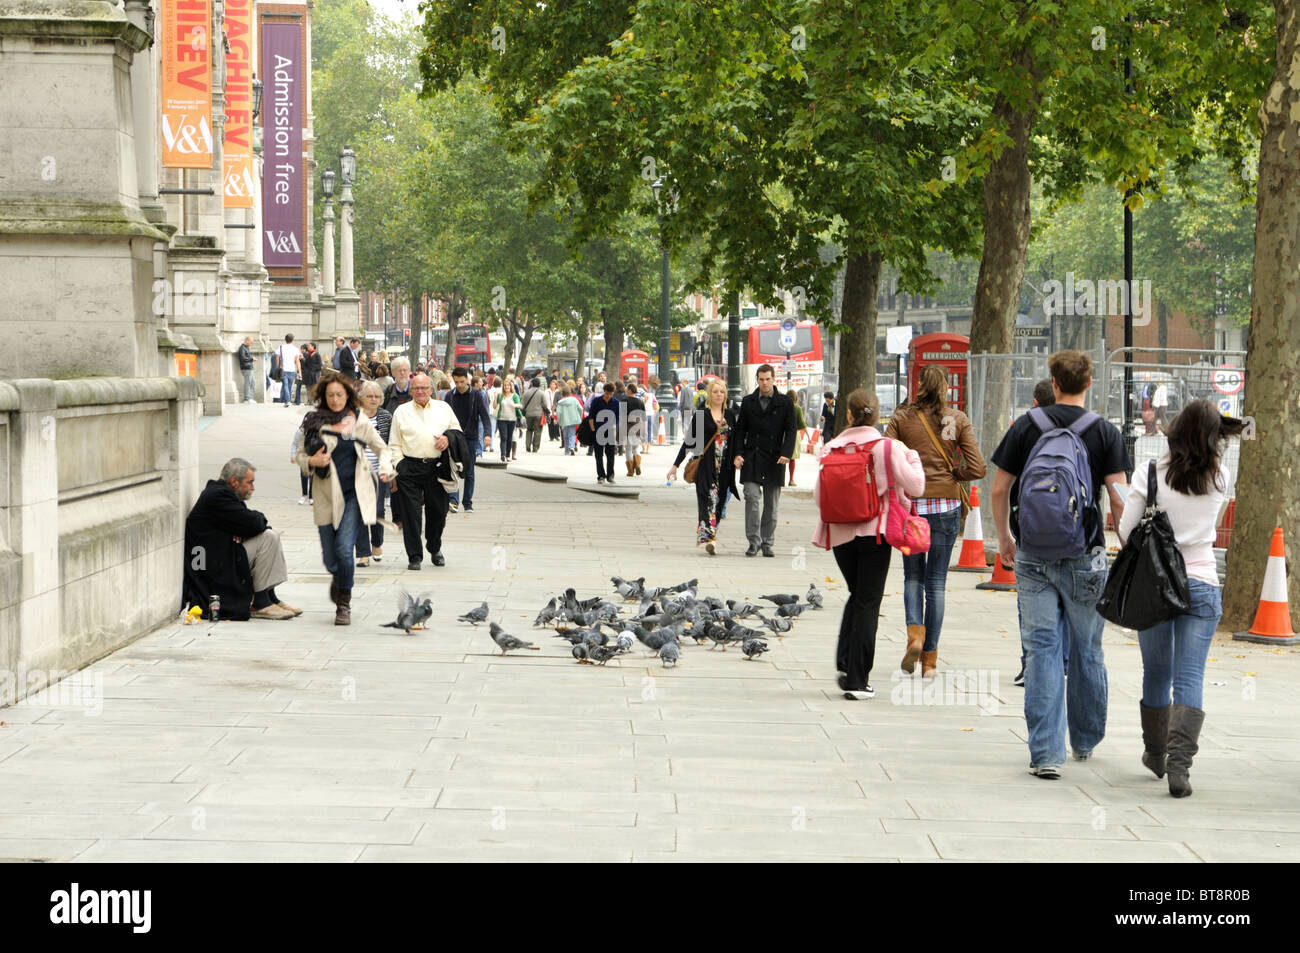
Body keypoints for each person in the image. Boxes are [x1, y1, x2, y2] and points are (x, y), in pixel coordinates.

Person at [990, 349, 1129, 779]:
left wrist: (1004, 539)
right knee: (1087, 648)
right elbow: (1121, 501)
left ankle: (1047, 755)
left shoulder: (1027, 426)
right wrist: (1126, 547)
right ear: (1089, 383)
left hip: (1032, 556)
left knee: (1042, 650)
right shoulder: (1105, 432)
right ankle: (1084, 739)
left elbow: (998, 490)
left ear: (1053, 382)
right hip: (1086, 556)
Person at [1119, 401, 1243, 798]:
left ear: (1174, 431)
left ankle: (1155, 752)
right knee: (1190, 677)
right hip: (1202, 584)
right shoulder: (1220, 476)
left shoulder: (1149, 475)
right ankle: (1180, 767)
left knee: (1157, 673)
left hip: (1155, 585)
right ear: (1213, 439)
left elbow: (1125, 531)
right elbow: (1211, 524)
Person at [812, 389, 925, 699]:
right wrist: (912, 456)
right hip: (875, 533)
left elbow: (818, 497)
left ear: (848, 414)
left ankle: (847, 663)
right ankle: (858, 681)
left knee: (857, 594)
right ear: (878, 416)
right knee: (868, 601)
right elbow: (916, 486)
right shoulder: (886, 447)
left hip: (840, 537)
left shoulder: (831, 448)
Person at [886, 364, 987, 676]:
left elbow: (886, 453)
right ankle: (929, 661)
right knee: (937, 584)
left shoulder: (902, 418)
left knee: (912, 579)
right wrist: (955, 474)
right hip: (945, 508)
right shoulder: (954, 420)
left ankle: (915, 637)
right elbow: (978, 467)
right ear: (944, 388)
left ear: (918, 385)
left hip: (913, 509)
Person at [298, 374, 394, 624]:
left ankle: (344, 604)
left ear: (348, 396)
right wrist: (311, 461)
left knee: (344, 548)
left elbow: (382, 448)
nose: (335, 399)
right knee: (331, 559)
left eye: (340, 394)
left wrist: (385, 468)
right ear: (323, 397)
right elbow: (298, 456)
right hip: (326, 495)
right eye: (330, 395)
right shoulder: (313, 422)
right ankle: (338, 577)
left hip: (355, 493)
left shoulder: (359, 420)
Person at [182, 458, 299, 621]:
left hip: (220, 555)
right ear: (234, 481)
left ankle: (270, 597)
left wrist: (245, 529)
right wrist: (249, 526)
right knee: (268, 537)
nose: (252, 487)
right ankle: (260, 602)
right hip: (212, 565)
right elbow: (254, 523)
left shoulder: (223, 494)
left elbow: (248, 522)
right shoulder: (218, 496)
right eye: (249, 482)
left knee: (270, 535)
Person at [1013, 377, 1065, 687]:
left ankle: (1030, 663)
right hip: (1069, 525)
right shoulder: (1082, 426)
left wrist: (1009, 531)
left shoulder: (1024, 426)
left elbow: (1005, 483)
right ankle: (1065, 662)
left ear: (1035, 401)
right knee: (1066, 597)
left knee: (1030, 597)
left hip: (1029, 526)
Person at [388, 373, 468, 570]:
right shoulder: (401, 411)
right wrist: (399, 465)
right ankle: (414, 556)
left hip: (437, 467)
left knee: (438, 513)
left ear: (431, 390)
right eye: (416, 388)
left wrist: (448, 439)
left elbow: (458, 432)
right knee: (411, 515)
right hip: (409, 467)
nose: (420, 391)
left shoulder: (444, 408)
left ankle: (434, 547)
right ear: (410, 390)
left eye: (424, 388)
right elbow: (394, 443)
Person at [732, 364, 798, 557]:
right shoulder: (748, 401)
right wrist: (738, 453)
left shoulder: (785, 403)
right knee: (751, 497)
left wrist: (787, 453)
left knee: (771, 503)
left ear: (773, 379)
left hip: (775, 458)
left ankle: (767, 542)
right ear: (757, 380)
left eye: (768, 379)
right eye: (761, 379)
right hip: (752, 455)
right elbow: (740, 429)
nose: (764, 383)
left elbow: (791, 430)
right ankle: (754, 541)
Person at [668, 379, 737, 554]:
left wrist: (738, 457)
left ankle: (713, 533)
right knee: (706, 500)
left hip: (725, 466)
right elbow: (689, 442)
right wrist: (676, 465)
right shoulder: (701, 415)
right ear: (709, 395)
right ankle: (709, 539)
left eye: (721, 392)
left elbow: (735, 440)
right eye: (715, 392)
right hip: (706, 465)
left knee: (719, 502)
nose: (719, 395)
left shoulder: (730, 415)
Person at [354, 380, 393, 565]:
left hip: (379, 472)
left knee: (377, 510)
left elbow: (390, 444)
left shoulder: (386, 417)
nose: (373, 399)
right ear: (361, 397)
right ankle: (363, 553)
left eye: (377, 396)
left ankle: (377, 542)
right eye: (369, 396)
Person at [445, 366, 492, 513]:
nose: (459, 385)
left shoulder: (476, 395)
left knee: (469, 471)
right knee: (452, 469)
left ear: (467, 379)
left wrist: (487, 434)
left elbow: (485, 415)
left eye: (462, 381)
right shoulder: (450, 396)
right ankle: (453, 501)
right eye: (456, 381)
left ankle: (467, 503)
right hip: (453, 437)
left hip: (470, 437)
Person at [588, 382, 620, 484]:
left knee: (611, 454)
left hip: (610, 431)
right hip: (598, 431)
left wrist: (616, 430)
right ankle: (601, 476)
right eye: (607, 393)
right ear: (604, 391)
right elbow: (591, 416)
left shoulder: (615, 402)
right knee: (598, 454)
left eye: (610, 394)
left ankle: (610, 475)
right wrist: (593, 430)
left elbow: (618, 417)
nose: (608, 396)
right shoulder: (596, 401)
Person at [491, 374, 523, 461]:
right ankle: (503, 454)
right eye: (505, 385)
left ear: (511, 386)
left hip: (512, 419)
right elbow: (494, 406)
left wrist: (515, 405)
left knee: (509, 438)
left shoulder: (515, 395)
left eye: (508, 385)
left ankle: (508, 455)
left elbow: (520, 406)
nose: (506, 387)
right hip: (502, 419)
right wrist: (495, 398)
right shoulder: (500, 395)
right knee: (503, 437)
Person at [623, 381, 647, 477]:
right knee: (636, 447)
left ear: (629, 390)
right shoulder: (640, 402)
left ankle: (630, 471)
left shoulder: (624, 401)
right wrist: (644, 430)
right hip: (638, 426)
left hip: (628, 426)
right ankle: (637, 464)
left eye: (626, 389)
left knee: (628, 449)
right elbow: (644, 418)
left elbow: (623, 416)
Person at [275, 333, 302, 406]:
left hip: (283, 369)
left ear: (285, 339)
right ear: (292, 340)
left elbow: (277, 358)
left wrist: (278, 367)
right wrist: (299, 371)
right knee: (289, 386)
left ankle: (287, 401)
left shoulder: (281, 347)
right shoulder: (295, 349)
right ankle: (288, 400)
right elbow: (297, 361)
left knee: (285, 385)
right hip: (292, 370)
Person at [556, 384, 583, 454]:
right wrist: (579, 416)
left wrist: (558, 419)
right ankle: (572, 446)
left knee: (565, 435)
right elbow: (580, 408)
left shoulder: (560, 402)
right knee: (572, 434)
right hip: (573, 419)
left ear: (562, 393)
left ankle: (567, 450)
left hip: (564, 421)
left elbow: (558, 412)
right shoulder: (574, 400)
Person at [521, 377, 547, 453]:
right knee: (538, 431)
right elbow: (545, 404)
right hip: (538, 414)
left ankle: (528, 446)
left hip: (528, 414)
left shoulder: (526, 393)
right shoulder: (542, 393)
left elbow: (522, 404)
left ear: (531, 384)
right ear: (539, 384)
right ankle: (535, 447)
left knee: (529, 430)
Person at [788, 394, 808, 486]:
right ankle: (791, 480)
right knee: (792, 459)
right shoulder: (797, 408)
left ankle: (779, 479)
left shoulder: (782, 407)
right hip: (794, 435)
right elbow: (802, 424)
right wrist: (809, 436)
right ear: (796, 398)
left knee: (780, 458)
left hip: (782, 434)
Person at [238, 337, 255, 402]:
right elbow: (243, 358)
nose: (251, 343)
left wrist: (251, 358)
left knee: (253, 383)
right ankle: (247, 399)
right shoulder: (242, 348)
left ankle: (249, 398)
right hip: (246, 368)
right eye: (251, 342)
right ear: (247, 340)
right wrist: (251, 359)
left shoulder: (246, 348)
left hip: (249, 368)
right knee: (248, 383)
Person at [544, 378, 560, 443]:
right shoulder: (546, 391)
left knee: (556, 423)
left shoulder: (558, 392)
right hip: (548, 408)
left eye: (554, 384)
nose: (552, 386)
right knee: (550, 423)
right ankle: (551, 436)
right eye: (551, 384)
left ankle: (556, 435)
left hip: (556, 409)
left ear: (556, 385)